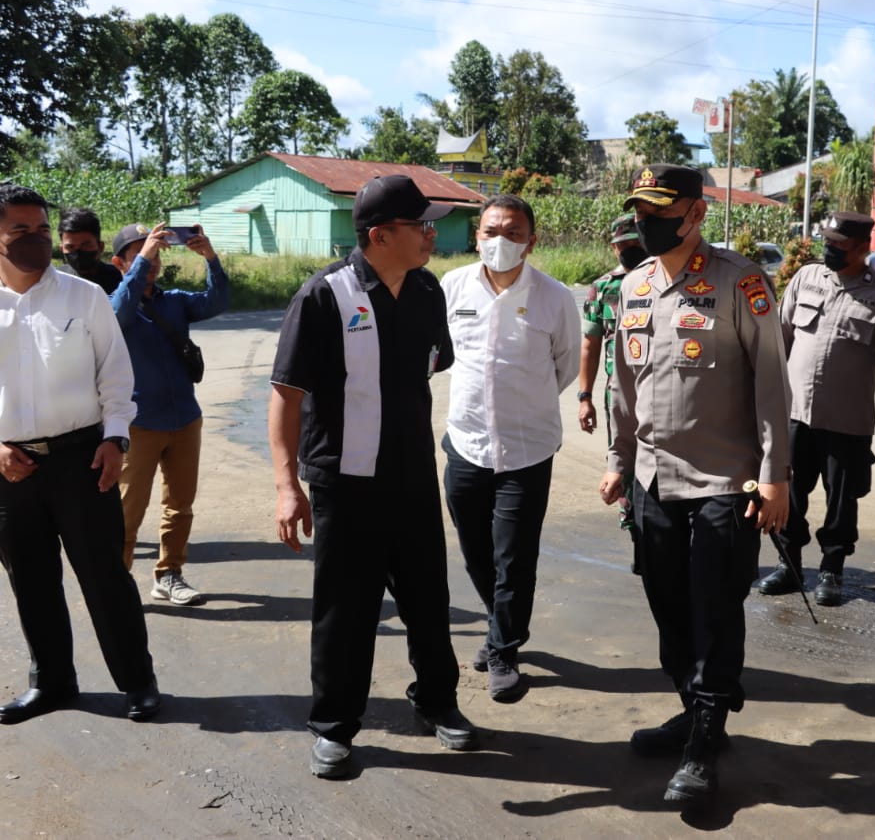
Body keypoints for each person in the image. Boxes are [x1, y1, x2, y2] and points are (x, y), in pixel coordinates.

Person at [269, 174, 475, 779]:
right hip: (345, 482)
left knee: (428, 600)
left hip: (411, 475)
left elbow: (431, 364)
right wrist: (287, 486)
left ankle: (436, 701)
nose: (431, 235)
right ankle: (334, 727)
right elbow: (285, 394)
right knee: (346, 611)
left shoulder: (426, 290)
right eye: (421, 225)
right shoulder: (324, 295)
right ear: (380, 235)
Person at [600, 164, 791, 809]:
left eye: (660, 211)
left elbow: (772, 382)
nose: (647, 222)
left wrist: (776, 476)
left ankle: (705, 742)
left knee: (714, 609)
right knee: (668, 607)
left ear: (695, 214)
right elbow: (623, 385)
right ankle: (693, 709)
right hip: (652, 479)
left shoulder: (741, 281)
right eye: (641, 212)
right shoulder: (633, 286)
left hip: (724, 480)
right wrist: (618, 459)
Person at [0, 183, 161, 724]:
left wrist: (115, 438)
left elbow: (115, 375)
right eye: (20, 230)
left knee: (105, 576)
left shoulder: (83, 296)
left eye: (42, 229)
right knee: (31, 579)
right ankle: (52, 682)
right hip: (10, 468)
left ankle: (137, 681)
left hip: (83, 458)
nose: (36, 239)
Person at [441, 193, 579, 704]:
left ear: (531, 241)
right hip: (466, 443)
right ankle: (503, 624)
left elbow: (565, 365)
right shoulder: (452, 287)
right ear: (477, 236)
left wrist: (525, 402)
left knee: (514, 558)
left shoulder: (554, 297)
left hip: (527, 450)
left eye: (513, 233)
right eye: (492, 231)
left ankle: (503, 650)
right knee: (477, 552)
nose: (501, 241)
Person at [763, 212, 875, 607]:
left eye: (838, 245)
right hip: (794, 413)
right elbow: (778, 341)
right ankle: (789, 565)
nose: (828, 249)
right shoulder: (805, 278)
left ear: (863, 248)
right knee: (788, 493)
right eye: (826, 242)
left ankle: (832, 569)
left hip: (848, 421)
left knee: (842, 501)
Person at [109, 222, 230, 605]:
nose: (153, 262)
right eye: (142, 254)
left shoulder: (174, 301)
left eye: (157, 254)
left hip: (184, 420)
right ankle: (116, 585)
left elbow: (217, 302)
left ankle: (169, 574)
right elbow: (121, 311)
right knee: (127, 512)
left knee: (180, 506)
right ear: (119, 263)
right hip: (139, 425)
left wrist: (210, 258)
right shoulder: (113, 305)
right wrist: (143, 259)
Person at [577, 213, 649, 574]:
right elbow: (589, 346)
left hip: (663, 395)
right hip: (618, 398)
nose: (631, 249)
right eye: (625, 244)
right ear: (614, 247)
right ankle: (639, 538)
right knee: (624, 466)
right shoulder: (603, 288)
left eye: (638, 242)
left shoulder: (665, 280)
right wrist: (584, 397)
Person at [57, 207, 121, 295]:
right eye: (71, 247)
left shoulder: (120, 281)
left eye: (85, 245)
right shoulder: (56, 280)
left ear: (100, 247)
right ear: (62, 249)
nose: (78, 253)